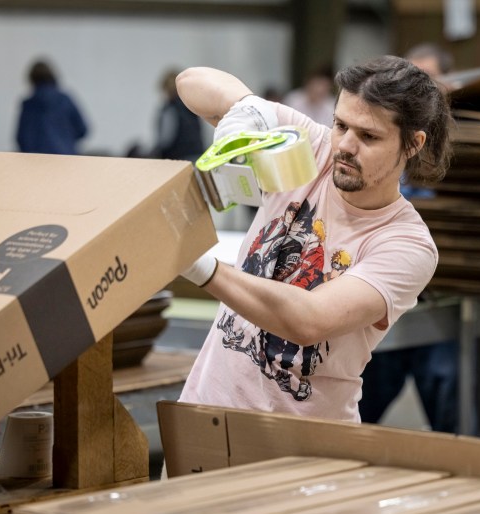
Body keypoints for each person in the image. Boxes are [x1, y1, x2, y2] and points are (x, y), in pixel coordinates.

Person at [175, 55, 452, 423]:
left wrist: (200, 266)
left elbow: (309, 320)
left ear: (413, 143)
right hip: (203, 412)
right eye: (340, 125)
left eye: (368, 136)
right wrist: (246, 110)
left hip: (299, 447)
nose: (346, 146)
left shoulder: (406, 243)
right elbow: (191, 81)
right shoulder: (309, 150)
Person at [358, 42, 459, 433]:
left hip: (440, 300)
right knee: (361, 407)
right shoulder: (382, 145)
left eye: (429, 81)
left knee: (448, 407)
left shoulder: (466, 152)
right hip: (382, 296)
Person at [15, 59, 88, 155]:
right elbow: (82, 129)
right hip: (66, 158)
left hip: (36, 161)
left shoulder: (29, 104)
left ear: (32, 79)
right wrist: (65, 140)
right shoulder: (65, 100)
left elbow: (22, 138)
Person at [151, 68, 208, 162]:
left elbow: (166, 138)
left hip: (178, 158)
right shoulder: (191, 105)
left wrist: (156, 152)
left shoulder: (170, 109)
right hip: (197, 155)